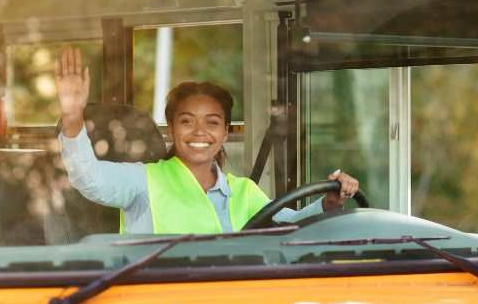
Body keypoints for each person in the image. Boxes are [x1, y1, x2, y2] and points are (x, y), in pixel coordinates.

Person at [54, 46, 360, 233]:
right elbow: (88, 178)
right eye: (187, 122)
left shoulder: (244, 192)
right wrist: (72, 116)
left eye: (211, 123)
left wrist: (329, 202)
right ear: (171, 129)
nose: (200, 132)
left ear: (225, 132)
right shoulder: (142, 181)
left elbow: (295, 225)